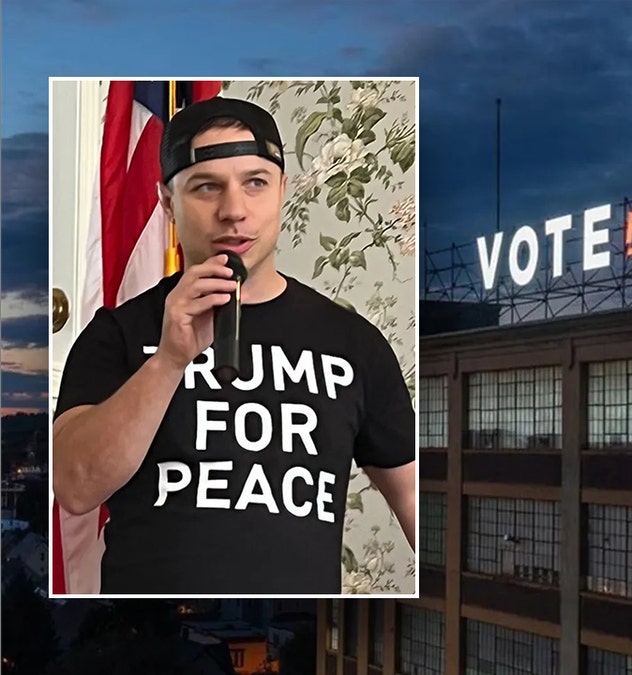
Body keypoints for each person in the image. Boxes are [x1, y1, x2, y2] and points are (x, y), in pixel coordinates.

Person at [52, 97, 417, 594]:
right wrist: (169, 362)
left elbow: (418, 502)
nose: (234, 211)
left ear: (283, 190)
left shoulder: (354, 344)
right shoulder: (116, 333)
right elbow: (75, 488)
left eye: (256, 183)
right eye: (206, 187)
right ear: (166, 201)